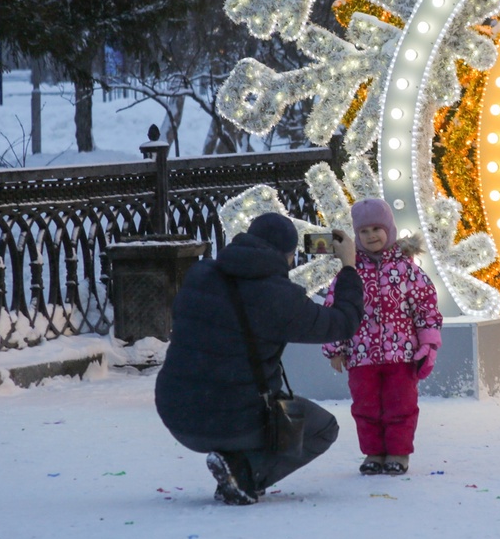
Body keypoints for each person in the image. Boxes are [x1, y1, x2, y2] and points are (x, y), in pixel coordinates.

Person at [156, 213, 363, 505]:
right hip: (232, 420)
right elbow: (343, 322)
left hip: (177, 413)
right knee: (322, 429)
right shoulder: (280, 298)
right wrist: (349, 267)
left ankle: (234, 466)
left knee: (231, 386)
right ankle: (245, 475)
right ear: (289, 256)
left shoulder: (200, 275)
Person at [323, 198, 443, 476]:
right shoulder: (349, 273)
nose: (371, 236)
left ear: (389, 228)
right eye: (364, 231)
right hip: (360, 355)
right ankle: (373, 453)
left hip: (402, 355)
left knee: (401, 405)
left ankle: (398, 453)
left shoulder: (407, 270)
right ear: (356, 235)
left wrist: (428, 343)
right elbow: (335, 309)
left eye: (377, 228)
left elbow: (426, 307)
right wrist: (335, 348)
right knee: (365, 407)